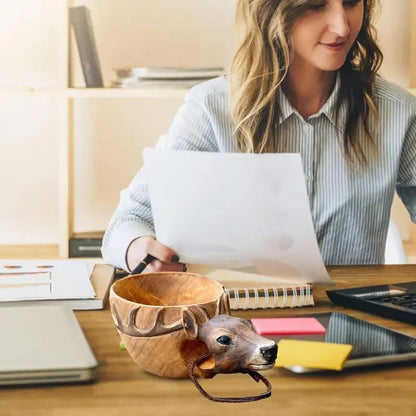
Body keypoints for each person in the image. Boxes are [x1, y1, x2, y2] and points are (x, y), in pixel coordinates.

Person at [102, 0, 416, 273]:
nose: (342, 27)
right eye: (316, 5)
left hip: (358, 333)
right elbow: (126, 223)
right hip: (240, 331)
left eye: (351, 2)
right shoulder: (212, 109)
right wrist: (142, 251)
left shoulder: (397, 111)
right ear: (273, 10)